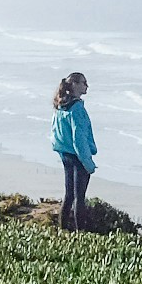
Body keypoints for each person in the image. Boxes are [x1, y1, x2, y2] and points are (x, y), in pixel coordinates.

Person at [50, 71, 97, 230]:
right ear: (75, 85)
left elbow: (55, 131)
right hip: (77, 156)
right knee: (79, 197)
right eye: (84, 83)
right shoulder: (76, 108)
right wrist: (88, 163)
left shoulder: (60, 105)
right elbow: (79, 138)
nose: (87, 86)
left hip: (65, 154)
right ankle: (80, 232)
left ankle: (62, 229)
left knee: (69, 195)